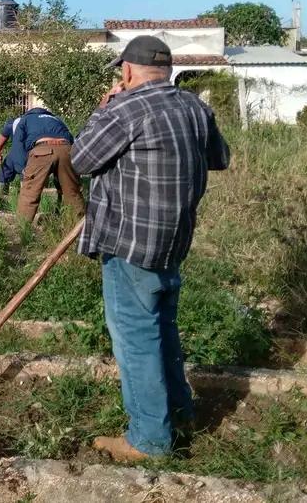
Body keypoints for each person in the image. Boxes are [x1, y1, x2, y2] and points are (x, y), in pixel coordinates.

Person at [70, 35, 230, 463]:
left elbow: (81, 159)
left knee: (136, 340)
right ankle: (180, 414)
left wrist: (103, 108)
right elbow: (219, 157)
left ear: (126, 71)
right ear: (168, 70)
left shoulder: (125, 109)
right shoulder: (195, 108)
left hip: (131, 245)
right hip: (173, 241)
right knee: (162, 330)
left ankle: (149, 440)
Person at [0, 106, 85, 223]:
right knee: (73, 192)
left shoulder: (25, 119)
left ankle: (23, 227)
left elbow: (18, 145)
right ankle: (79, 227)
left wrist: (23, 169)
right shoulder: (57, 119)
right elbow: (71, 139)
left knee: (30, 193)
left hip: (42, 149)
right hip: (67, 150)